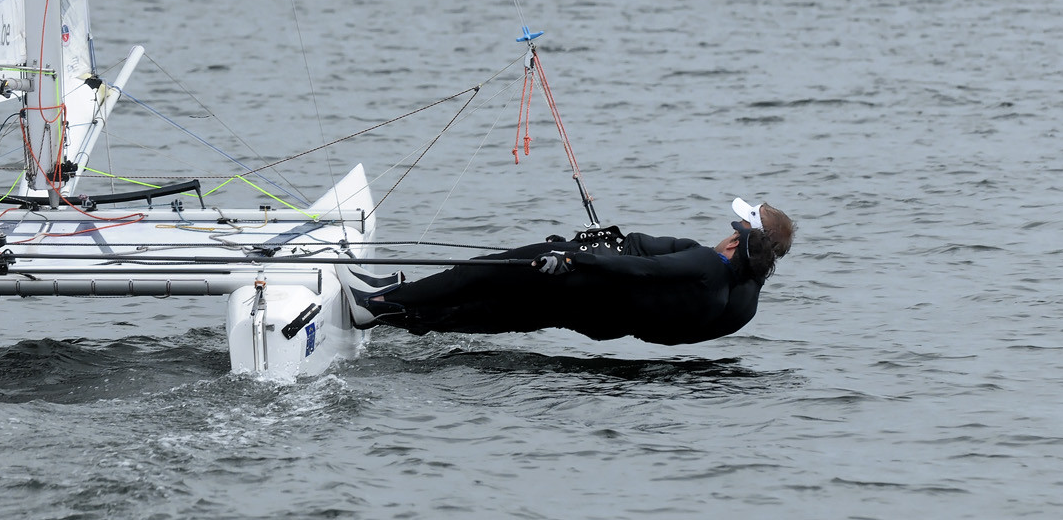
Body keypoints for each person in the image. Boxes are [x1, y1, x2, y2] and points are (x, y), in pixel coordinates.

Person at [340, 198, 794, 346]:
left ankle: (377, 304)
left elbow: (642, 269)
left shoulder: (705, 264)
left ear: (737, 241)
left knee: (480, 274)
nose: (726, 232)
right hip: (598, 319)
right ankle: (396, 313)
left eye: (734, 227)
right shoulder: (743, 303)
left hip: (585, 278)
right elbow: (667, 335)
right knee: (491, 313)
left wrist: (575, 258)